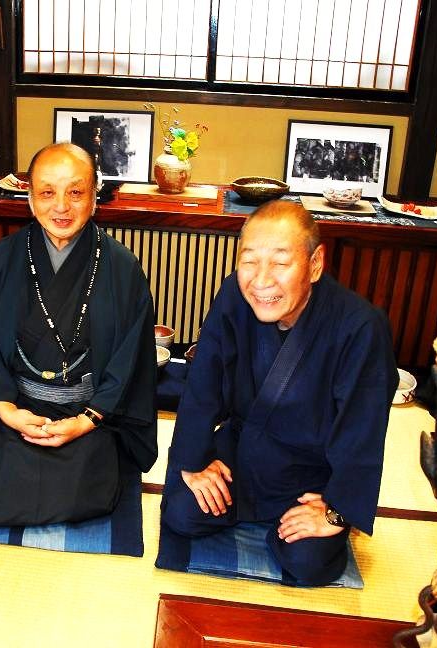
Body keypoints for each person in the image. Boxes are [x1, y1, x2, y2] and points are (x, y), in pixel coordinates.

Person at [160, 200, 395, 585]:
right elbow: (204, 381)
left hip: (311, 474)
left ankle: (297, 524)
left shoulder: (359, 328)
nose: (261, 280)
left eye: (281, 262)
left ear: (315, 264)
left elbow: (363, 431)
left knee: (308, 563)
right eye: (249, 261)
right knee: (181, 513)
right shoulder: (234, 297)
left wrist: (336, 510)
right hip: (242, 450)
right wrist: (194, 460)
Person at [0, 142, 157, 527]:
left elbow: (131, 356)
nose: (62, 206)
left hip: (90, 413)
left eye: (75, 192)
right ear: (30, 200)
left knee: (89, 491)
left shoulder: (122, 267)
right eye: (47, 193)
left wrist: (87, 420)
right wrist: (9, 412)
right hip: (22, 409)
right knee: (7, 494)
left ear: (94, 197)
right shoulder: (0, 262)